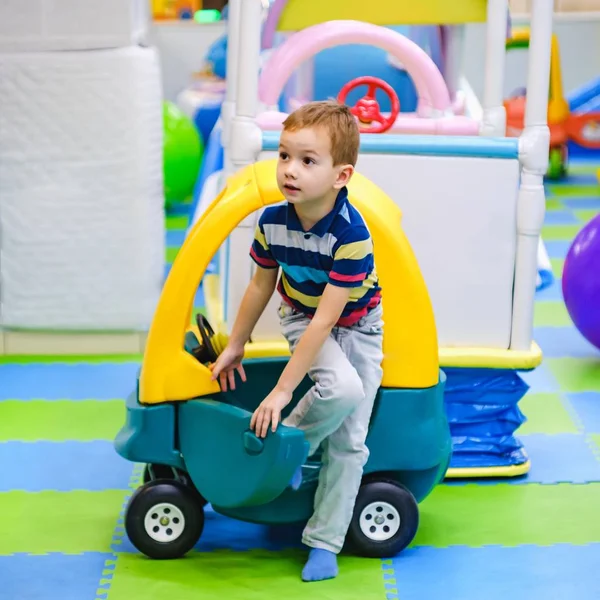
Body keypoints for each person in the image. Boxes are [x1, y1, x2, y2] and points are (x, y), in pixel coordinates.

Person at [210, 100, 384, 582]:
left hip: (358, 327)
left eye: (308, 161)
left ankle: (323, 539)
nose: (289, 169)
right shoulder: (272, 222)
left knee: (351, 445)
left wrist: (283, 392)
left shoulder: (351, 236)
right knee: (341, 390)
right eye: (284, 155)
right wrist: (236, 343)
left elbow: (330, 321)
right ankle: (290, 452)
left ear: (340, 175)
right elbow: (261, 284)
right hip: (299, 315)